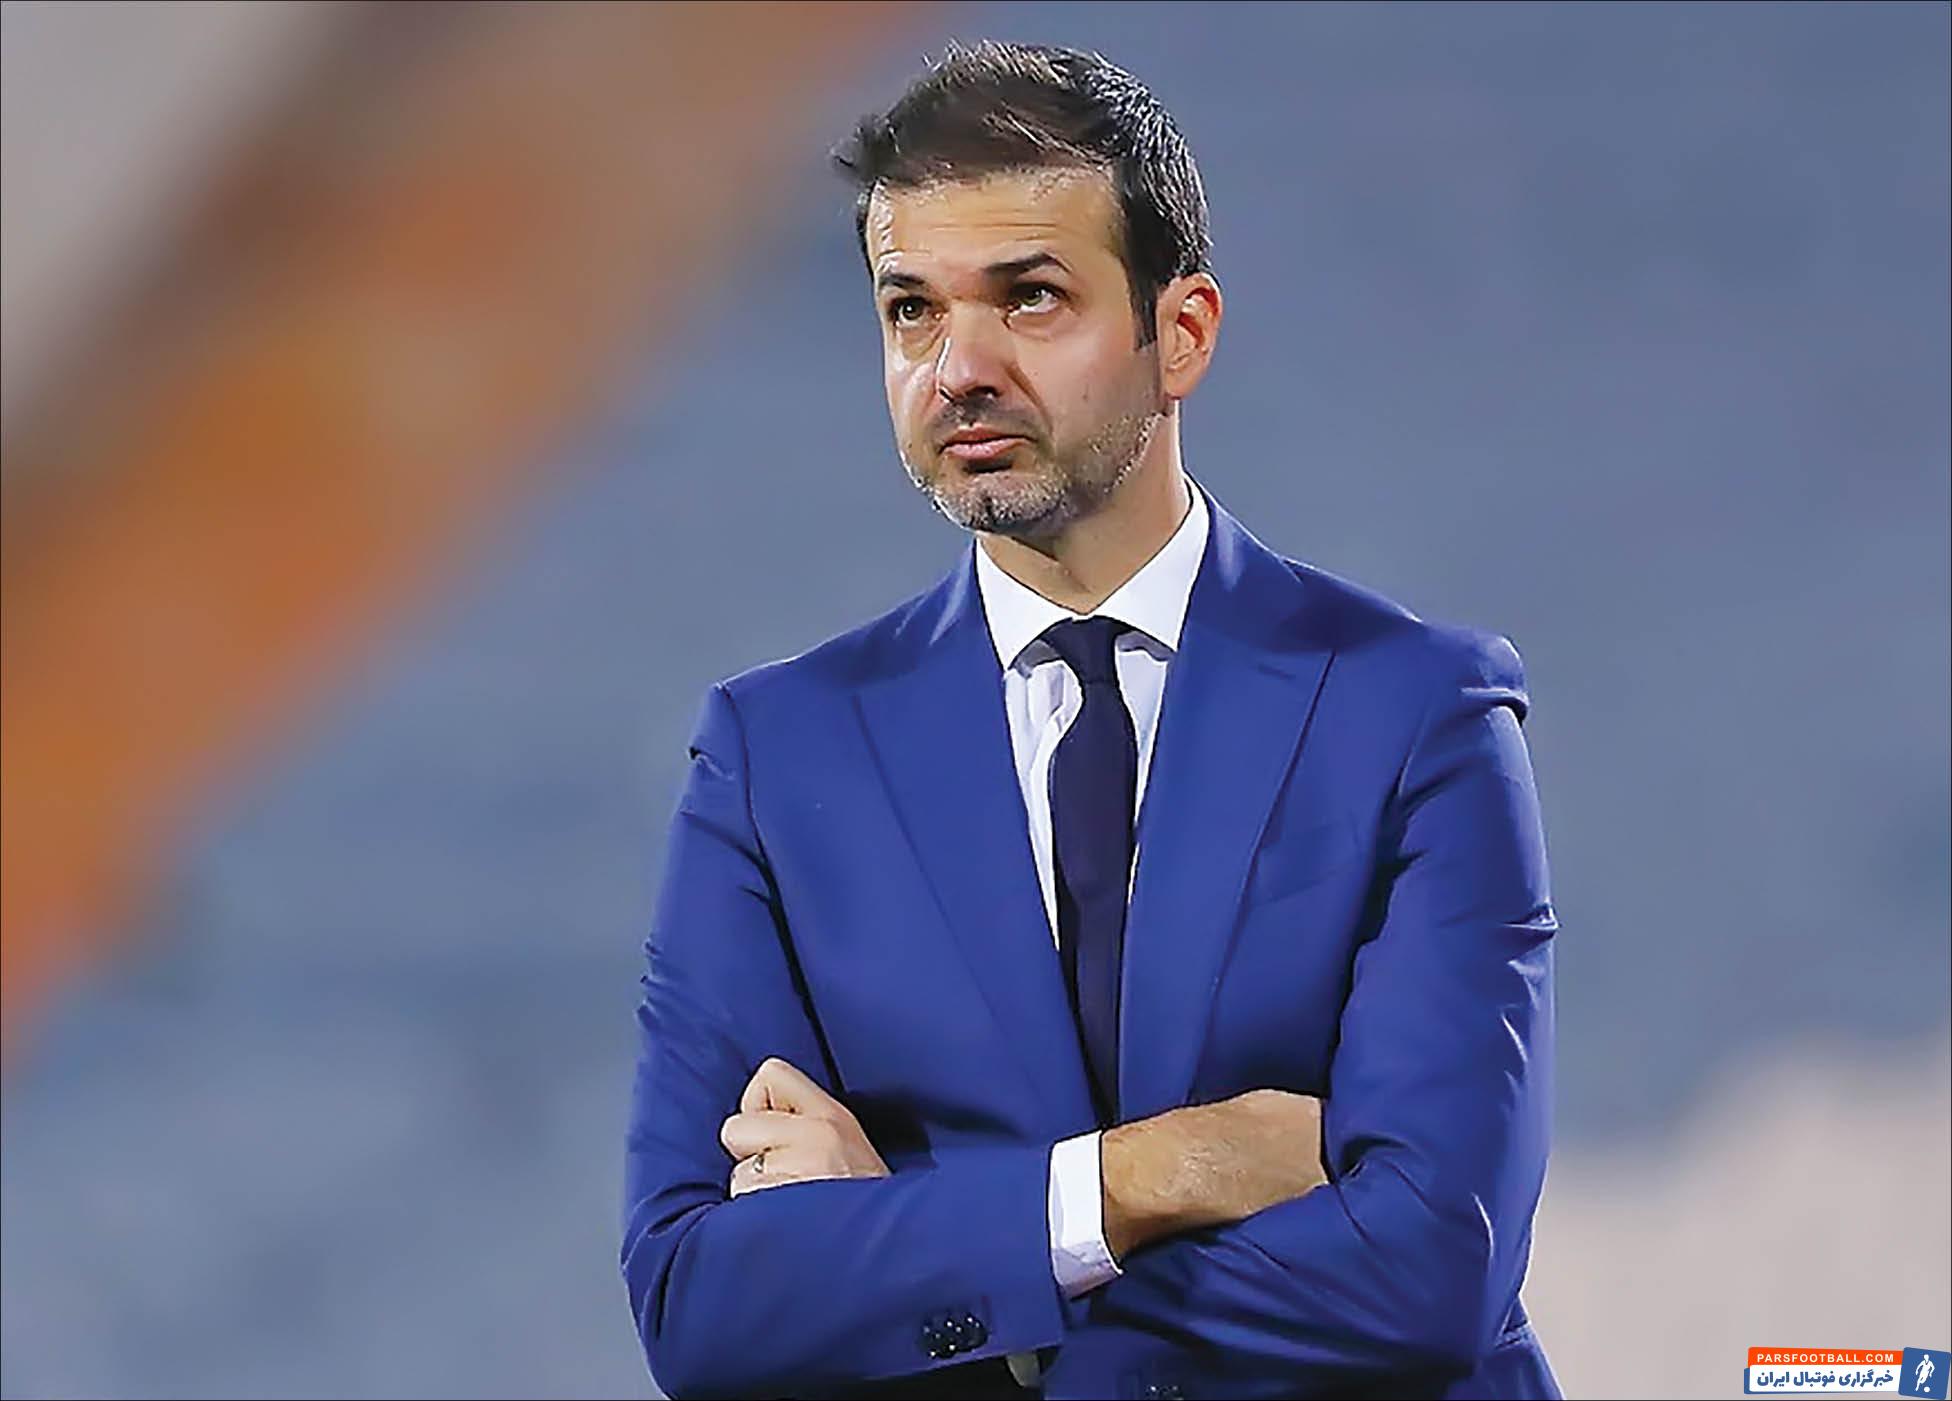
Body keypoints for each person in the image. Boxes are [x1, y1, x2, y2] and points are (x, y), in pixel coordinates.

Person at [622, 40, 1561, 1401]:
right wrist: (1149, 1177)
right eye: (910, 310)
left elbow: (1431, 1272)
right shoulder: (777, 758)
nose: (959, 368)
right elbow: (699, 1303)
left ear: (1181, 334)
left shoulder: (1418, 713)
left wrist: (944, 1270)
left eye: (1031, 297)